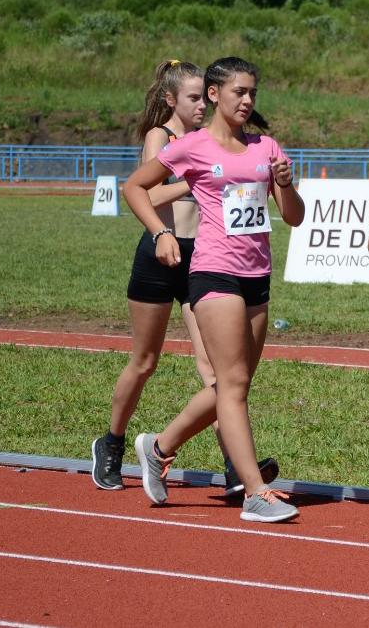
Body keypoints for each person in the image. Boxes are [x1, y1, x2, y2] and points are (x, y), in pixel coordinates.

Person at [123, 56, 305, 523]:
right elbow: (135, 188)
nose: (246, 100)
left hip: (257, 275)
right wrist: (161, 233)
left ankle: (158, 447)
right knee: (234, 384)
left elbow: (293, 216)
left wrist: (286, 185)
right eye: (238, 92)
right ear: (214, 94)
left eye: (252, 93)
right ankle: (255, 493)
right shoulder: (194, 146)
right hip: (214, 272)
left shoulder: (266, 146)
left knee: (233, 382)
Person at [91, 60, 277, 496]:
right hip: (161, 254)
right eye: (192, 98)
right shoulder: (163, 138)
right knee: (145, 360)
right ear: (171, 99)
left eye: (201, 98)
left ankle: (235, 465)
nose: (199, 107)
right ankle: (112, 443)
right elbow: (148, 191)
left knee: (218, 371)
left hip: (204, 259)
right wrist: (191, 186)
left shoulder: (212, 141)